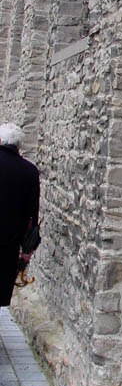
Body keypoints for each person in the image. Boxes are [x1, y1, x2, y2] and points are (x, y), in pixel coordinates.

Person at [0, 123, 40, 306]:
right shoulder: (30, 171)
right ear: (19, 146)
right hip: (8, 243)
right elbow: (32, 215)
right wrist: (27, 250)